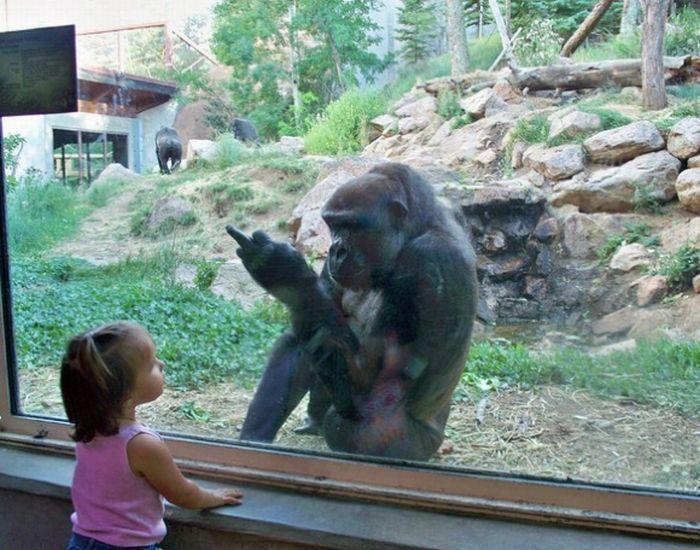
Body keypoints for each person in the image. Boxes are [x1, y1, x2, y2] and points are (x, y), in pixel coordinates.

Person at [60, 321, 243, 550]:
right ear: (124, 392)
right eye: (151, 365)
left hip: (81, 542)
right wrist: (213, 497)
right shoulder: (141, 445)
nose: (161, 363)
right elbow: (183, 495)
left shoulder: (87, 429)